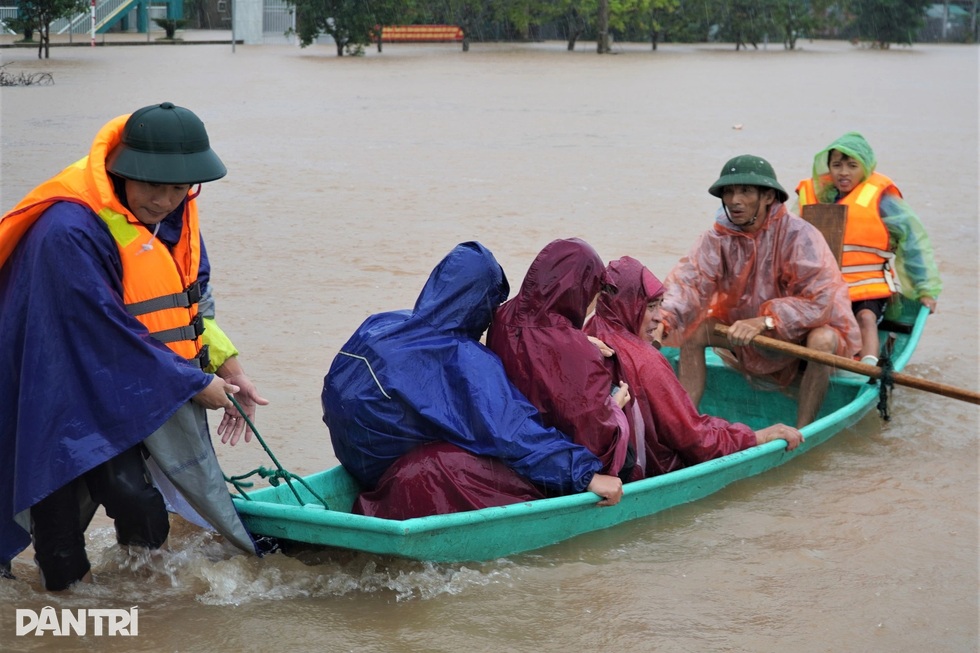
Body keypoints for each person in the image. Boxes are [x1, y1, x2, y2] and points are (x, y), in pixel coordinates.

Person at [0, 102, 267, 591]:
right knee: (59, 524)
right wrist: (194, 382)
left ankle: (146, 609)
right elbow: (101, 330)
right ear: (122, 173)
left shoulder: (175, 217)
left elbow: (187, 309)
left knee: (137, 503)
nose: (165, 200)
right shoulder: (68, 231)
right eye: (153, 185)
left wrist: (229, 367)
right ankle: (68, 623)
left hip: (127, 382)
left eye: (178, 187)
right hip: (51, 392)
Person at [322, 241, 623, 520]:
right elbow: (513, 432)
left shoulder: (380, 323)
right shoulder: (463, 359)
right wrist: (586, 475)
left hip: (355, 458)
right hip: (400, 470)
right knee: (504, 463)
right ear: (482, 303)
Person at [661, 155, 861, 429]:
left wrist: (767, 321)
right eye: (729, 192)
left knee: (823, 340)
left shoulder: (799, 235)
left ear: (768, 196)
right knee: (695, 331)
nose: (734, 200)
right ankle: (685, 427)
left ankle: (802, 430)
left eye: (745, 191)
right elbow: (687, 285)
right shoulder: (717, 238)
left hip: (799, 334)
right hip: (746, 331)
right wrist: (662, 320)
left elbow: (820, 302)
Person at [585, 256, 803, 477]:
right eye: (650, 307)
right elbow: (694, 439)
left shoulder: (587, 332)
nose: (659, 318)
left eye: (660, 305)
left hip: (606, 462)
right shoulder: (646, 361)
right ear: (627, 307)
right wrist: (755, 437)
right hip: (649, 469)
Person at [487, 238, 637, 481]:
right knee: (626, 452)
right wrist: (615, 407)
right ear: (580, 291)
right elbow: (595, 434)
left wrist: (581, 342)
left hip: (517, 438)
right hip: (555, 456)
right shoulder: (576, 350)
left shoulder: (501, 317)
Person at [796, 132, 942, 366]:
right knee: (809, 321)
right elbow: (790, 239)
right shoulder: (814, 195)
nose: (843, 172)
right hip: (825, 287)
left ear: (864, 167)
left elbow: (913, 243)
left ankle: (869, 365)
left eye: (852, 165)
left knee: (865, 317)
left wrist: (924, 290)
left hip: (868, 286)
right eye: (837, 165)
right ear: (828, 167)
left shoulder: (883, 200)